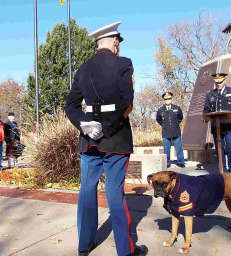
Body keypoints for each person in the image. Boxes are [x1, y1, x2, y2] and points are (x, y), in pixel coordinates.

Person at [65, 22, 148, 256]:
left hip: (89, 139)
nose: (119, 45)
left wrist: (86, 125)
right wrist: (107, 129)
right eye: (118, 42)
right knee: (114, 192)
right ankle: (125, 250)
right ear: (114, 41)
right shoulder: (124, 64)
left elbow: (70, 106)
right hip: (115, 138)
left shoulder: (83, 69)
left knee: (86, 190)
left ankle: (84, 246)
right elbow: (126, 101)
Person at [203, 73, 231, 173]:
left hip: (229, 125)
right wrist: (206, 116)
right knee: (219, 149)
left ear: (224, 81)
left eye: (220, 82)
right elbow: (206, 109)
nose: (218, 84)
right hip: (216, 127)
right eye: (216, 83)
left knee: (230, 148)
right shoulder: (210, 94)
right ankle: (222, 169)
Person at [156, 92, 185, 168]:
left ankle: (181, 162)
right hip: (166, 131)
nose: (168, 100)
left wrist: (175, 124)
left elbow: (180, 117)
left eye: (169, 99)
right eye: (166, 99)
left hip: (175, 130)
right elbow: (158, 120)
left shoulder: (177, 108)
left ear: (171, 99)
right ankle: (167, 163)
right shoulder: (160, 110)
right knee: (166, 149)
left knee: (178, 147)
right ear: (163, 100)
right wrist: (165, 125)